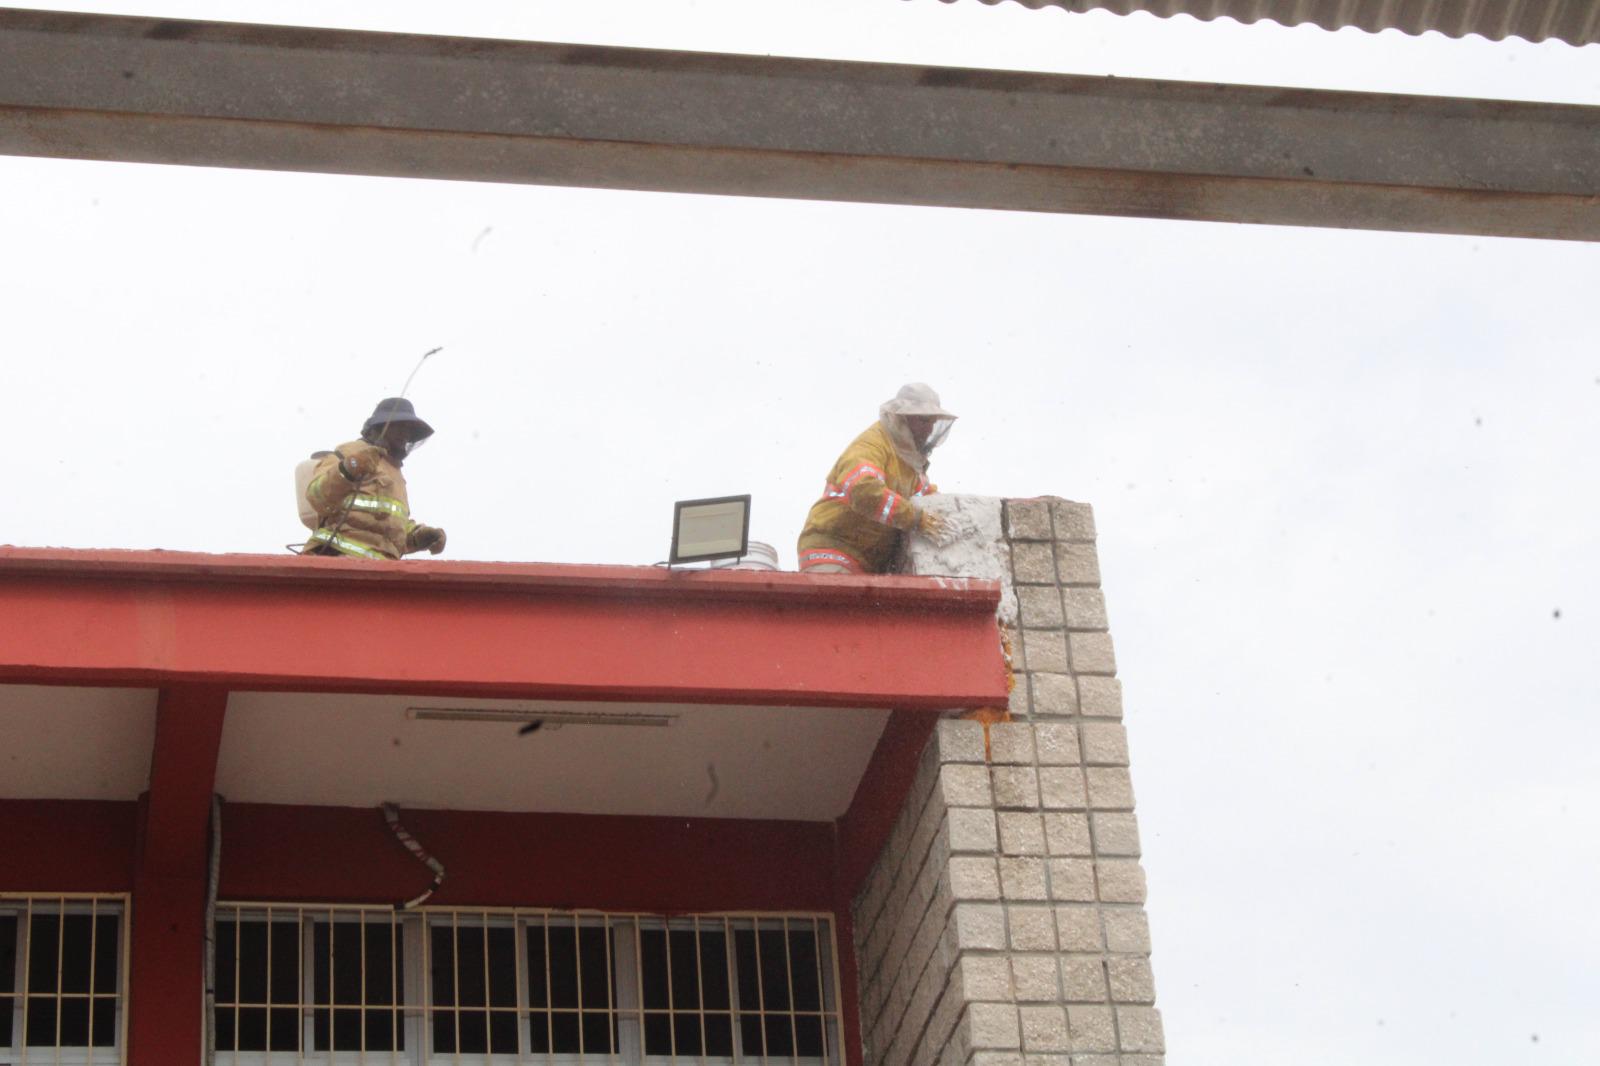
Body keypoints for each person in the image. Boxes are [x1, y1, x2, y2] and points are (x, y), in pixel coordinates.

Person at [796, 383, 957, 574]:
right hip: (833, 549)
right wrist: (915, 518)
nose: (929, 430)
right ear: (902, 418)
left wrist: (953, 515)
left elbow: (928, 499)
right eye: (923, 421)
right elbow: (865, 492)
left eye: (933, 422)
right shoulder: (872, 446)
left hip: (869, 562)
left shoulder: (908, 463)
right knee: (841, 592)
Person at [301, 397, 447, 560]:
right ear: (379, 428)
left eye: (409, 430)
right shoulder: (350, 452)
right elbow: (316, 496)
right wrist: (350, 467)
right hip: (337, 557)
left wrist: (416, 536)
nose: (405, 435)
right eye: (399, 427)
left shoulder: (395, 473)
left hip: (380, 570)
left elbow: (386, 526)